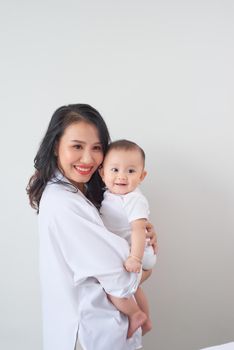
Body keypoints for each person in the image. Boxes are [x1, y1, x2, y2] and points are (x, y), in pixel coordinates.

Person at [26, 104, 157, 350]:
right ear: (56, 146)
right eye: (77, 146)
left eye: (96, 148)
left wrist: (141, 235)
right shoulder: (64, 203)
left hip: (101, 328)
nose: (88, 159)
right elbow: (121, 277)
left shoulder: (83, 194)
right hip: (90, 333)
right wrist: (146, 265)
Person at [99, 139, 157, 336]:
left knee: (113, 287)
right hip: (132, 251)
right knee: (133, 289)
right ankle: (145, 319)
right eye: (114, 170)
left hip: (139, 252)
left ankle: (135, 315)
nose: (121, 176)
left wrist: (136, 258)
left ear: (142, 176)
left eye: (131, 171)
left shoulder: (133, 199)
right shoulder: (110, 195)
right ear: (102, 173)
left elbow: (139, 229)